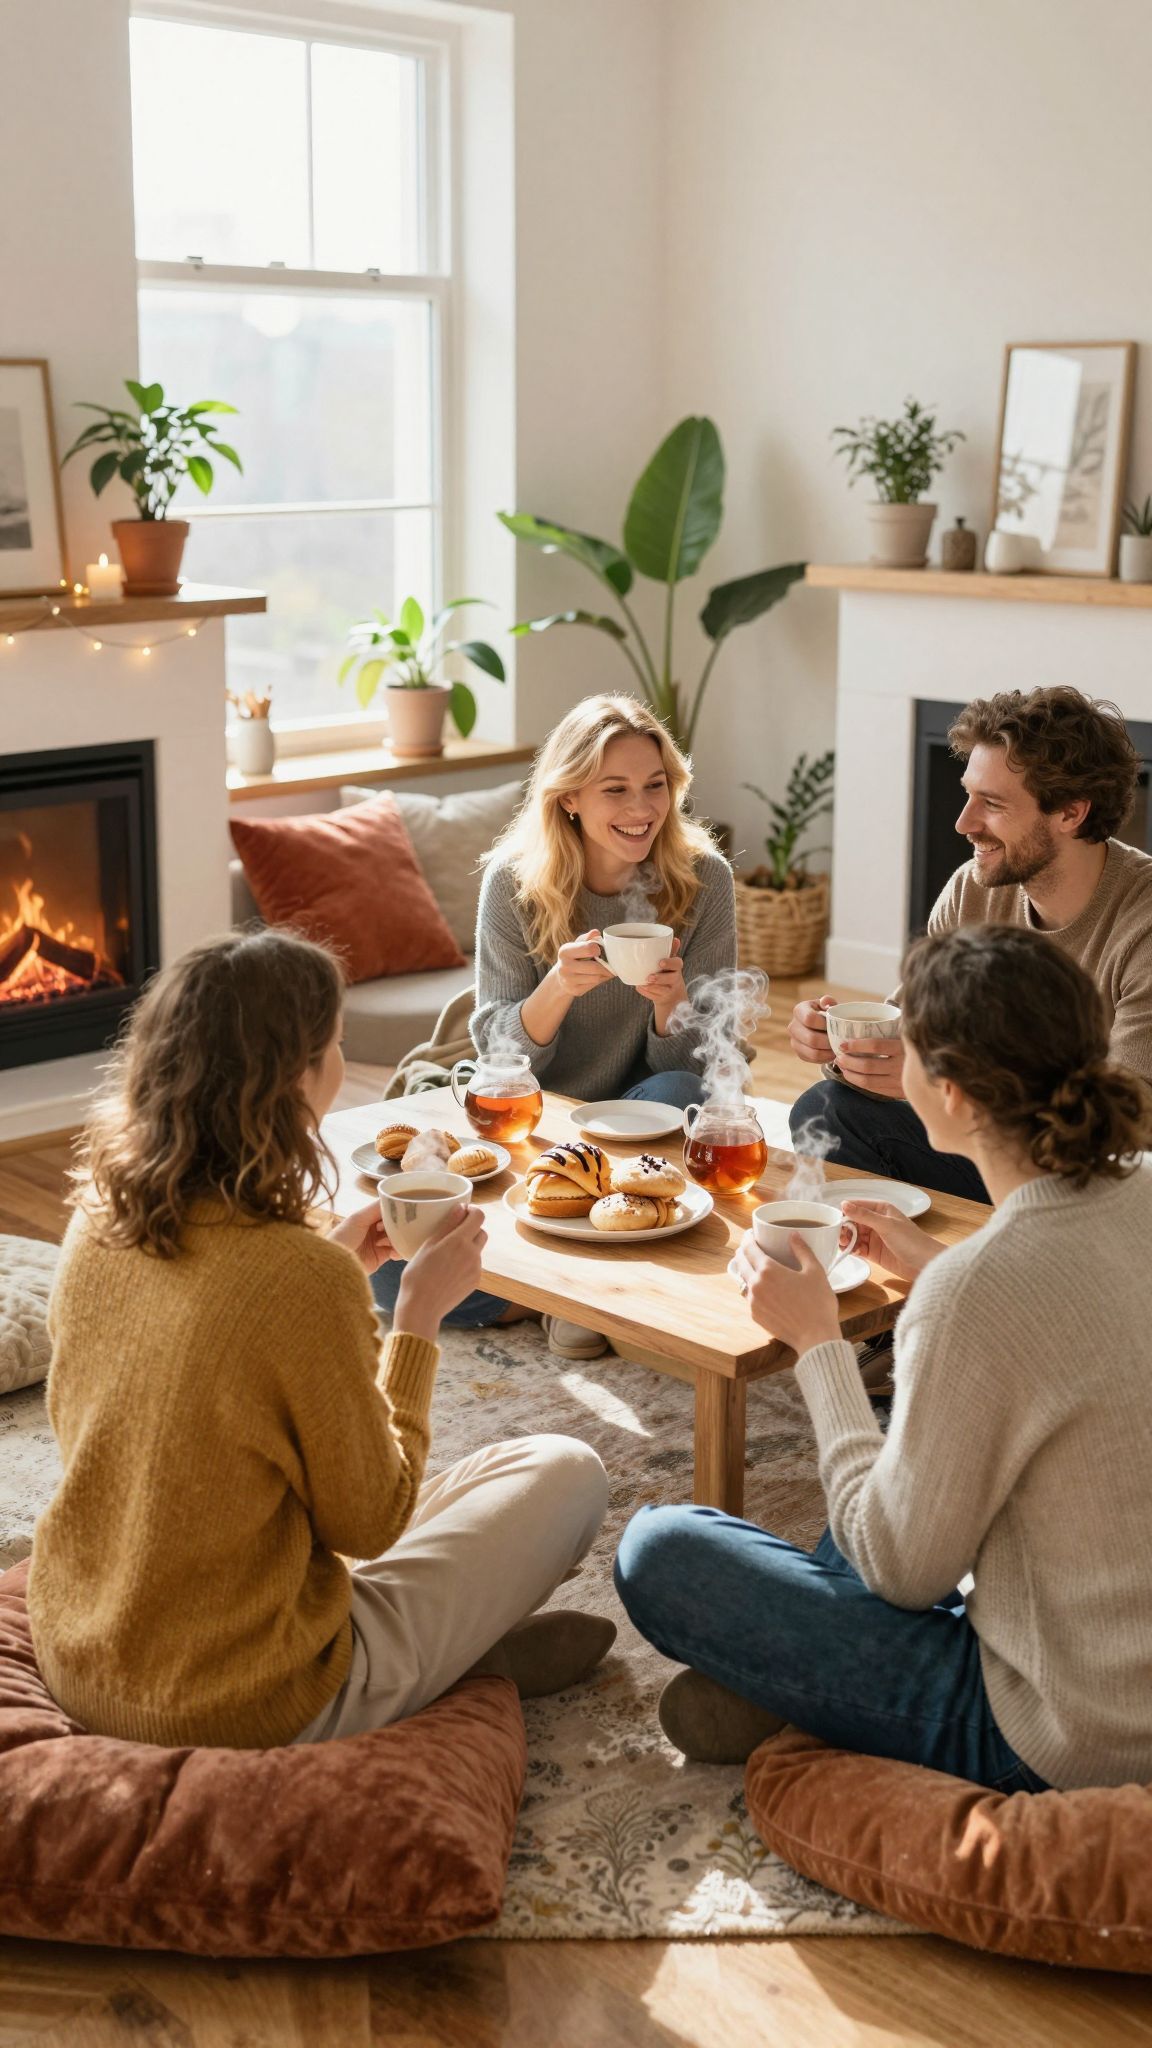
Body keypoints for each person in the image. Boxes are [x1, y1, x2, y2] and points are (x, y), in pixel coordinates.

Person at [29, 929, 614, 1751]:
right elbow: (370, 1523)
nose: (338, 1063)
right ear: (296, 1077)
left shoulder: (96, 1223)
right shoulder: (298, 1279)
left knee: (493, 1469)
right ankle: (459, 1671)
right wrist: (416, 1320)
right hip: (252, 1697)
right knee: (566, 1472)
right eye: (335, 1045)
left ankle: (459, 1656)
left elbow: (171, 1409)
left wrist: (333, 1261)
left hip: (81, 1650)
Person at [616, 925, 1152, 1791]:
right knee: (901, 1465)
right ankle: (797, 1695)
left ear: (947, 1095)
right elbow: (1072, 1315)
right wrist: (933, 1268)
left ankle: (800, 1702)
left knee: (659, 1547)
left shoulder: (975, 1293)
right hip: (1110, 1656)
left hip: (1069, 1732)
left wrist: (819, 1343)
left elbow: (903, 1574)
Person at [374, 693, 738, 1355]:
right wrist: (556, 989)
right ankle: (581, 1287)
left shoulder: (703, 881)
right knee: (386, 1277)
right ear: (569, 796)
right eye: (616, 790)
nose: (641, 810)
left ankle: (559, 1285)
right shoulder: (515, 884)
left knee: (680, 1093)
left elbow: (707, 1067)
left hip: (640, 1128)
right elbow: (503, 1064)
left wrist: (669, 1004)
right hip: (538, 1129)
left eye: (656, 786)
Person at [788, 686, 1152, 1201]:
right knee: (824, 1109)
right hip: (998, 1143)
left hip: (1099, 1176)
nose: (963, 823)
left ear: (1071, 813)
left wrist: (952, 1082)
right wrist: (840, 1042)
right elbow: (911, 1024)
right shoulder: (973, 889)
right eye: (967, 793)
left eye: (993, 804)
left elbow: (1128, 1121)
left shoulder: (1143, 923)